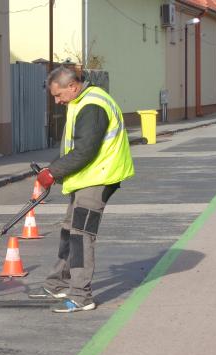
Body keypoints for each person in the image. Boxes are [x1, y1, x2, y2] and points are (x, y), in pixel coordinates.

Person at [29, 66, 135, 313]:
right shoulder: (81, 101)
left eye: (58, 95)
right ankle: (58, 283)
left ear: (73, 87)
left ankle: (81, 295)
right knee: (68, 230)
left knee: (80, 235)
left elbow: (85, 150)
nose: (56, 101)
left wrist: (53, 172)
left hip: (99, 177)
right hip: (86, 177)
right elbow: (72, 147)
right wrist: (53, 168)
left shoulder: (93, 106)